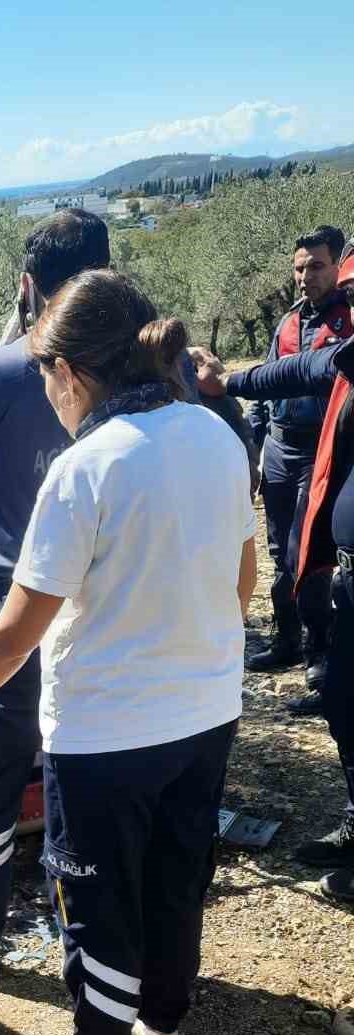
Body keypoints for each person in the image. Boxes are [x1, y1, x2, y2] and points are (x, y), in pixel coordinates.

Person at [0, 271, 257, 1035]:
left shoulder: (83, 469)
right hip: (207, 715)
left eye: (48, 377)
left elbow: (13, 634)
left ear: (71, 373)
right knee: (176, 882)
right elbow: (241, 585)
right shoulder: (214, 437)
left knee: (95, 901)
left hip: (104, 736)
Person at [0, 208, 111, 985]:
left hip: (19, 612)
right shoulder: (146, 371)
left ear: (29, 285)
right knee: (99, 778)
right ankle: (103, 952)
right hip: (114, 604)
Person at [195, 247, 354, 900]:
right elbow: (293, 371)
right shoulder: (348, 356)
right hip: (350, 572)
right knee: (344, 699)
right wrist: (225, 382)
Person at [246, 227, 352, 712]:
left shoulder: (347, 321)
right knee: (276, 548)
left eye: (315, 266)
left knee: (305, 560)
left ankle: (321, 661)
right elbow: (267, 383)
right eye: (298, 267)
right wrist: (254, 442)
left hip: (320, 452)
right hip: (279, 450)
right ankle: (286, 640)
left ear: (337, 266)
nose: (305, 276)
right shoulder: (287, 323)